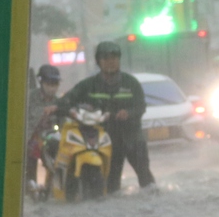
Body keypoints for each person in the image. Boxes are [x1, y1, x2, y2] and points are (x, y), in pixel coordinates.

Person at [58, 41, 156, 193]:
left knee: (146, 180)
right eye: (106, 58)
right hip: (106, 140)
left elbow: (141, 106)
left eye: (114, 58)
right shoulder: (89, 85)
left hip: (132, 138)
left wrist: (128, 113)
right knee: (111, 186)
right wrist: (63, 108)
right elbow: (67, 100)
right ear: (99, 62)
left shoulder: (131, 83)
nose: (111, 62)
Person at [25, 64, 64, 194]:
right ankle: (30, 187)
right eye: (49, 83)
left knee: (57, 159)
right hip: (31, 139)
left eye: (55, 83)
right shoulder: (29, 98)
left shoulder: (58, 102)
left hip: (51, 139)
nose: (52, 87)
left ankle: (51, 188)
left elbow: (63, 123)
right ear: (41, 82)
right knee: (30, 157)